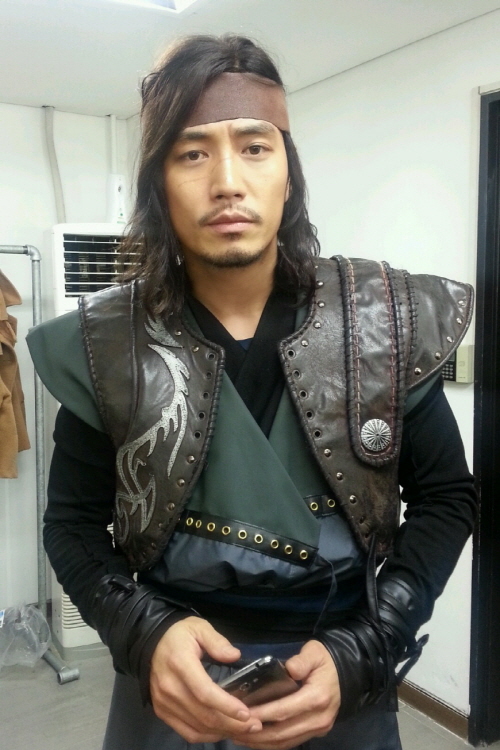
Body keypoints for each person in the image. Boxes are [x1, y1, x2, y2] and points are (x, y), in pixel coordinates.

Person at [27, 34, 477, 750]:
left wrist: (369, 643)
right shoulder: (108, 344)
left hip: (342, 676)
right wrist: (144, 632)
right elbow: (72, 526)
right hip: (175, 683)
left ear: (288, 175)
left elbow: (448, 498)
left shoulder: (383, 321)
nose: (227, 181)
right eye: (192, 153)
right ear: (158, 183)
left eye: (256, 147)